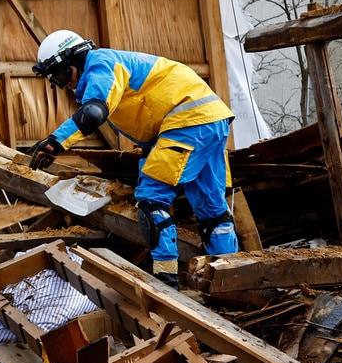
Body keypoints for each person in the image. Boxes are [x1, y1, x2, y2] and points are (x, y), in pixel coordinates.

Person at [30, 30, 239, 286]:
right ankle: (231, 280)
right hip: (210, 120)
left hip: (187, 123)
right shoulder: (117, 62)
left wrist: (55, 143)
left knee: (152, 201)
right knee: (212, 211)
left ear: (73, 60)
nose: (65, 84)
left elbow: (93, 113)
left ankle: (166, 281)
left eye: (61, 76)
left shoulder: (100, 64)